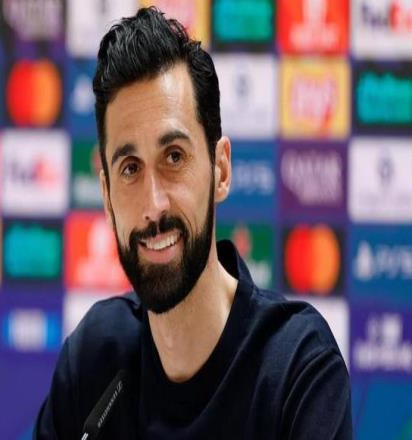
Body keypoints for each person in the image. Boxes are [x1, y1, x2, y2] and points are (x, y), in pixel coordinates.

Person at [34, 7, 352, 439]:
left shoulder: (297, 369)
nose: (153, 205)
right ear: (106, 196)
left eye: (174, 157)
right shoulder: (93, 360)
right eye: (130, 168)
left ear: (221, 169)